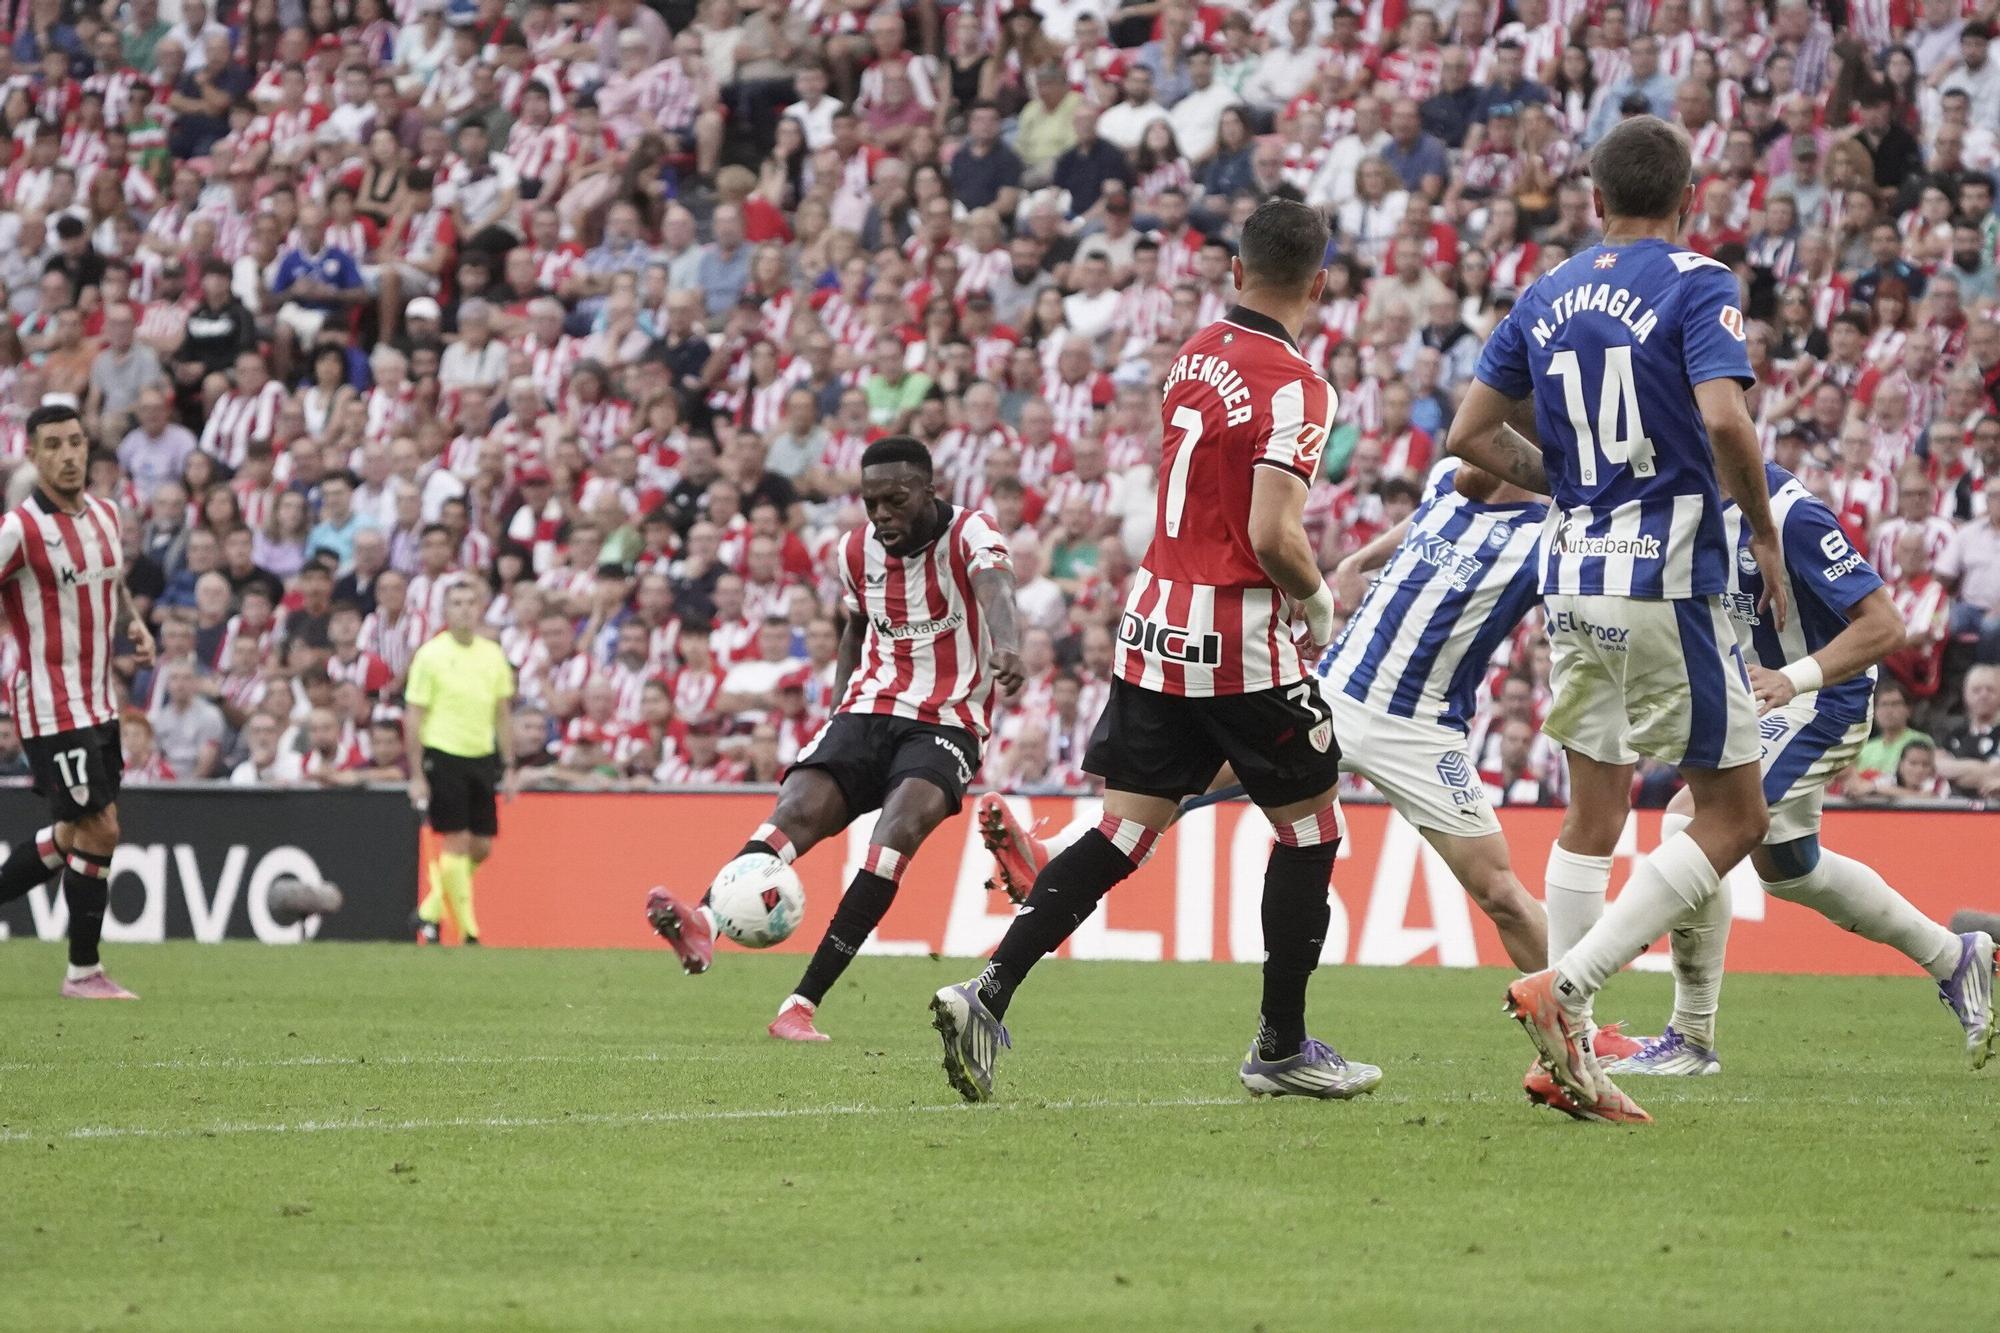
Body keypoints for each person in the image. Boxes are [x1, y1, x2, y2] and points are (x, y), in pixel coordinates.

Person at [932, 200, 1379, 1105]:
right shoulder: (1299, 385)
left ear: (1234, 272)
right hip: (1236, 633)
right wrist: (1319, 601)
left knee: (1125, 827)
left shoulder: (1195, 354)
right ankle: (1282, 1044)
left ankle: (987, 988)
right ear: (1320, 284)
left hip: (1152, 624)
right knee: (1311, 829)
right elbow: (1272, 531)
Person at [1448, 116, 1786, 1124]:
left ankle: (1573, 1054)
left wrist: (1568, 483)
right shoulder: (1696, 279)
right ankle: (1569, 987)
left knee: (1592, 806)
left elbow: (1470, 434)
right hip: (1665, 577)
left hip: (1572, 577)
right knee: (1732, 814)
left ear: (1593, 202)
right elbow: (1724, 419)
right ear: (1689, 195)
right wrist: (1763, 536)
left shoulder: (1545, 292)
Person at [1607, 464, 1996, 1077]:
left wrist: (1795, 678)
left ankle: (1691, 1036)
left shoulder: (1791, 514)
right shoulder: (1683, 502)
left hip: (1820, 701)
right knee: (1790, 872)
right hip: (1759, 701)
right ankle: (1954, 957)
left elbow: (1887, 625)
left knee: (1695, 822)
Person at [642, 437, 1024, 1042]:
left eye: (895, 500)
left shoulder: (972, 532)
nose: (882, 515)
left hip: (946, 720)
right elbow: (855, 625)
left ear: (929, 489)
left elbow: (998, 591)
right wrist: (838, 707)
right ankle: (703, 922)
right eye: (871, 502)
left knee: (894, 835)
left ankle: (800, 1005)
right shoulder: (855, 550)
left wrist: (1007, 646)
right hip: (867, 708)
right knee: (794, 812)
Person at [0, 404, 156, 999]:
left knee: (73, 836)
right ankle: (83, 971)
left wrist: (136, 626)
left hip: (99, 701)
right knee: (102, 828)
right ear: (34, 456)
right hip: (48, 703)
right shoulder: (21, 530)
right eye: (53, 446)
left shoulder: (107, 515)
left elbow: (111, 579)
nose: (68, 456)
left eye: (75, 443)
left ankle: (84, 972)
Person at [404, 579, 516, 946]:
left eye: (471, 602)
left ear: (480, 608)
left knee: (481, 846)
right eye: (457, 603)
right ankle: (468, 931)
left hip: (481, 756)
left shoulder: (492, 654)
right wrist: (417, 772)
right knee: (456, 841)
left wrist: (510, 764)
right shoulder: (431, 655)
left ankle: (429, 911)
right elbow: (414, 715)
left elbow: (502, 712)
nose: (465, 609)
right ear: (445, 611)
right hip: (444, 753)